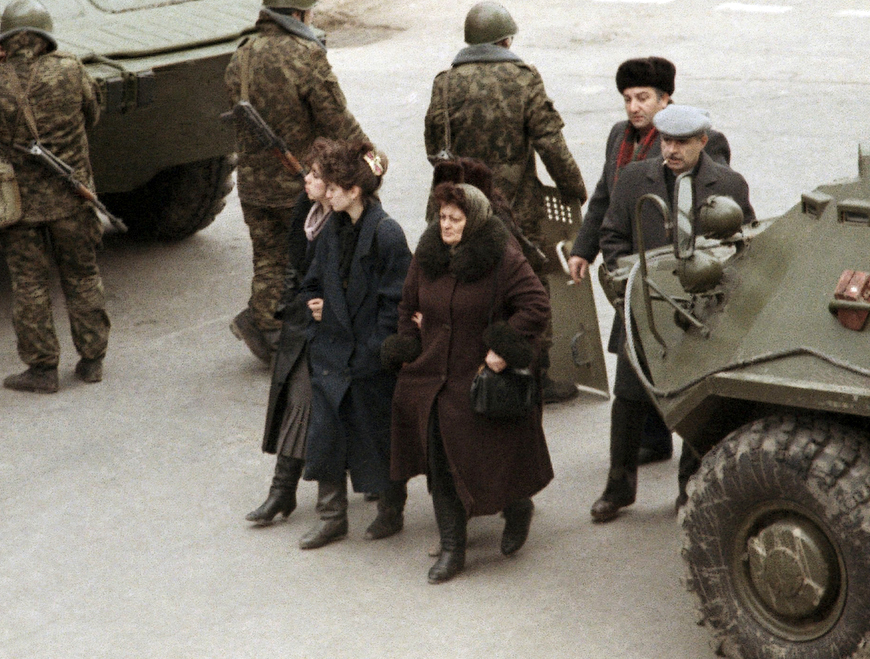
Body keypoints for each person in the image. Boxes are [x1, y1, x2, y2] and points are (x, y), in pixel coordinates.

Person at [590, 105, 754, 523]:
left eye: (682, 142)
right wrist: (625, 276)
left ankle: (689, 491)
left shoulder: (729, 184)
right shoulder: (633, 180)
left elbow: (746, 243)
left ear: (703, 142)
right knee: (628, 397)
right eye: (666, 141)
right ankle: (618, 488)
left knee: (695, 402)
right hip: (646, 307)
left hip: (701, 314)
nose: (671, 149)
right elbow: (612, 235)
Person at [384, 182, 553, 583]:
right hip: (433, 375)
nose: (446, 225)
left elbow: (536, 304)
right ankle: (452, 549)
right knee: (440, 463)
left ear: (473, 220)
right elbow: (408, 303)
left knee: (494, 460)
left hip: (477, 375)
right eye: (442, 217)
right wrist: (409, 341)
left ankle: (517, 508)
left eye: (455, 219)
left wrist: (502, 346)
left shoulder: (503, 257)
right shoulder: (428, 255)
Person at [568, 57, 734, 464]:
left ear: (666, 101)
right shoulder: (618, 138)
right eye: (627, 99)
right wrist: (583, 251)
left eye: (642, 98)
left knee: (677, 355)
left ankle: (693, 455)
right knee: (636, 356)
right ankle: (651, 439)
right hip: (632, 267)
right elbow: (605, 200)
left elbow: (714, 205)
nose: (633, 107)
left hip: (679, 274)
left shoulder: (705, 141)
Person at [0, 0, 110, 394]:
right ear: (46, 35)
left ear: (5, 38)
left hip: (17, 204)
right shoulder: (72, 70)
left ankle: (42, 369)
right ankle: (92, 361)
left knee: (30, 284)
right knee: (83, 275)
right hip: (73, 197)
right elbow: (93, 115)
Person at [222, 0, 370, 363]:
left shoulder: (242, 54)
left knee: (269, 256)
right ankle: (304, 332)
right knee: (313, 258)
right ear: (299, 15)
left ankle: (266, 326)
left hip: (253, 184)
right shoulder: (306, 56)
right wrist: (370, 155)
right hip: (298, 183)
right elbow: (336, 120)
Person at [296, 142, 411, 549]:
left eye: (334, 187)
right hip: (332, 352)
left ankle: (390, 510)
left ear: (355, 190)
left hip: (366, 361)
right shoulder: (333, 229)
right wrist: (313, 304)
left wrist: (373, 353)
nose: (326, 192)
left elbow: (397, 303)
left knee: (379, 439)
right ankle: (332, 517)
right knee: (326, 437)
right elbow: (312, 279)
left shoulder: (386, 234)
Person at [423, 2, 587, 246]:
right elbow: (551, 145)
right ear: (506, 41)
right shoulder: (524, 78)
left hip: (459, 210)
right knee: (522, 279)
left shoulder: (445, 83)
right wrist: (573, 191)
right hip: (515, 216)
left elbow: (434, 148)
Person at [245, 140, 334, 524]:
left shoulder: (354, 223)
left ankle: (373, 496)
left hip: (337, 330)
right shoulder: (307, 212)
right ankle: (282, 492)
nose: (306, 180)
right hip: (303, 323)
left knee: (338, 414)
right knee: (299, 401)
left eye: (314, 175)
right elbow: (293, 264)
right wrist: (288, 302)